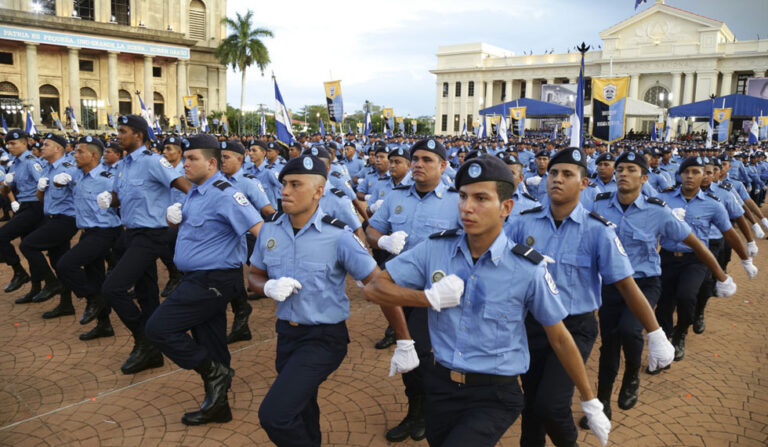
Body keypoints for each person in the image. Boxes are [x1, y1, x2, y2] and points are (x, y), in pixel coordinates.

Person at [363, 155, 611, 447]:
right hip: (440, 385)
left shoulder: (528, 268)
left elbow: (559, 338)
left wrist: (590, 400)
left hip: (494, 394)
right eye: (464, 196)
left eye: (481, 198)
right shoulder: (435, 249)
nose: (467, 207)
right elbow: (375, 288)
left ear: (506, 207)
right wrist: (428, 298)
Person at [504, 147, 675, 447]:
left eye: (568, 174)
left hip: (574, 327)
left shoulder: (598, 231)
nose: (557, 179)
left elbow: (626, 284)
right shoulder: (522, 223)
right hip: (531, 327)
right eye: (554, 173)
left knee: (552, 405)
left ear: (584, 184)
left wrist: (656, 332)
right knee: (531, 404)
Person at [247, 154, 409, 447]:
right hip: (286, 334)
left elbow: (379, 285)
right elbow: (255, 275)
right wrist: (268, 286)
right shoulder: (270, 229)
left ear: (318, 191)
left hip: (323, 338)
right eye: (284, 183)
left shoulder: (339, 236)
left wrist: (404, 340)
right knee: (302, 406)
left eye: (295, 184)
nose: (284, 191)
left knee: (275, 414)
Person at [587, 151, 735, 425]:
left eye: (631, 169)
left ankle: (632, 375)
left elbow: (695, 243)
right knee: (608, 345)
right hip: (610, 287)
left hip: (644, 283)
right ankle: (603, 403)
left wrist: (721, 276)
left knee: (630, 330)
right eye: (620, 168)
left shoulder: (658, 211)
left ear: (644, 178)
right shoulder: (600, 206)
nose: (622, 173)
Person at [145, 134, 263, 425]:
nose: (184, 164)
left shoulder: (225, 193)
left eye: (191, 158)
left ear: (211, 163)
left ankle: (214, 372)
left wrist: (268, 273)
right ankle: (218, 406)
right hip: (198, 277)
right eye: (185, 158)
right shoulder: (195, 192)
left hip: (214, 279)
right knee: (211, 343)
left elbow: (260, 230)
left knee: (159, 329)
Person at [366, 138, 461, 442]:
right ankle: (416, 409)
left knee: (422, 352)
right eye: (415, 158)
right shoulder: (397, 197)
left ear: (443, 166)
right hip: (398, 290)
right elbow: (372, 229)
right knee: (407, 352)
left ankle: (429, 413)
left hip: (436, 293)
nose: (418, 164)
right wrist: (381, 241)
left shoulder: (456, 200)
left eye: (427, 160)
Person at [98, 114, 191, 375]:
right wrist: (110, 199)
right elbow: (122, 196)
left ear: (139, 135)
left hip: (152, 234)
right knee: (147, 292)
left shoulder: (153, 161)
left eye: (123, 131)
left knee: (113, 287)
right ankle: (154, 353)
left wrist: (185, 210)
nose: (118, 135)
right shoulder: (124, 164)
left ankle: (145, 340)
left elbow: (184, 186)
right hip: (132, 233)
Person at [655, 156, 756, 361]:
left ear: (704, 176)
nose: (690, 176)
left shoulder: (713, 205)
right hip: (666, 257)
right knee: (664, 303)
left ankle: (681, 333)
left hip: (697, 260)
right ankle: (664, 342)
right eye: (686, 172)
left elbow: (729, 233)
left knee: (686, 296)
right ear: (679, 174)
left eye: (695, 172)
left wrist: (746, 259)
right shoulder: (664, 199)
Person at [55, 136, 123, 340]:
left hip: (105, 232)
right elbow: (59, 177)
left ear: (93, 155)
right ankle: (104, 324)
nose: (75, 155)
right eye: (75, 151)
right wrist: (56, 182)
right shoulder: (76, 174)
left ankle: (95, 298)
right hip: (87, 232)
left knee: (65, 265)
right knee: (96, 276)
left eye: (79, 152)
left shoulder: (107, 177)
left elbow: (124, 199)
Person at [219, 139, 275, 343]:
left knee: (266, 270)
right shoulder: (218, 180)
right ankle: (242, 316)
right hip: (228, 239)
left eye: (226, 157)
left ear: (239, 159)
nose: (221, 161)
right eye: (220, 157)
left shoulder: (249, 182)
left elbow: (267, 209)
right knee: (234, 277)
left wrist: (280, 232)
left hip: (251, 237)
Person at [19, 133, 80, 318]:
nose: (41, 147)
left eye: (46, 144)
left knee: (27, 245)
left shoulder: (68, 167)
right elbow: (42, 199)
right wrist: (40, 189)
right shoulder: (46, 167)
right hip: (52, 217)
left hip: (66, 219)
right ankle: (66, 304)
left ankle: (52, 283)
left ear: (58, 149)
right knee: (58, 262)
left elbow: (81, 193)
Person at [0, 129, 42, 297]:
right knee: (27, 246)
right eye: (8, 144)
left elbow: (43, 185)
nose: (10, 147)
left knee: (2, 236)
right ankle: (36, 288)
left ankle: (19, 272)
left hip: (33, 206)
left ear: (25, 143)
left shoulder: (31, 161)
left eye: (14, 143)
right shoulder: (15, 163)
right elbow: (6, 190)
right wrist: (7, 186)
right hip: (24, 206)